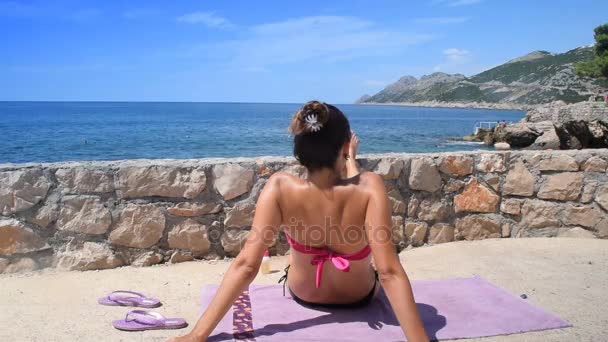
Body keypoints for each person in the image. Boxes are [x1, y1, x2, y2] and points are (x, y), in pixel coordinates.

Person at [168, 101, 429, 342]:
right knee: (369, 260)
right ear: (345, 148)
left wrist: (197, 336)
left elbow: (247, 265)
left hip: (305, 294)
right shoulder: (370, 186)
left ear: (299, 150)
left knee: (292, 256)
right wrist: (351, 163)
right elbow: (389, 272)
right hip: (358, 297)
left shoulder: (280, 187)